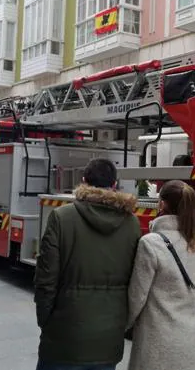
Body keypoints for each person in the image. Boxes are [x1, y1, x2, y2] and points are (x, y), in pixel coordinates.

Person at [34, 158, 141, 370]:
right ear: (114, 184)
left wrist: (45, 320)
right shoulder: (132, 223)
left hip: (64, 337)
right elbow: (135, 281)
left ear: (83, 181)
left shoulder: (61, 217)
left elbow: (46, 278)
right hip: (108, 340)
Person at [127, 180, 195, 370]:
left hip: (156, 345)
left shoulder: (151, 244)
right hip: (193, 345)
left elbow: (137, 298)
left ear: (162, 204)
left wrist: (124, 325)